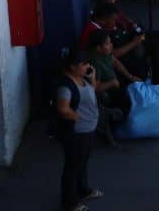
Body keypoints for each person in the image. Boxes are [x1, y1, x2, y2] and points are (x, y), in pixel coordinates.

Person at [54, 51, 103, 211]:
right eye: (84, 64)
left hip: (88, 130)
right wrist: (76, 117)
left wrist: (92, 79)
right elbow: (63, 108)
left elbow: (91, 93)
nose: (88, 66)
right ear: (72, 67)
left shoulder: (81, 78)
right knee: (73, 167)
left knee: (82, 163)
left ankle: (83, 190)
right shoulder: (66, 86)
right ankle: (70, 202)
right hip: (77, 133)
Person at [88, 29, 139, 116]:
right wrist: (112, 82)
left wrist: (130, 77)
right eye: (107, 44)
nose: (111, 45)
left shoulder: (106, 53)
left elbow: (115, 62)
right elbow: (95, 88)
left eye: (110, 42)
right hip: (107, 95)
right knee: (127, 109)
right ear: (98, 48)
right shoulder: (95, 63)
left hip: (116, 83)